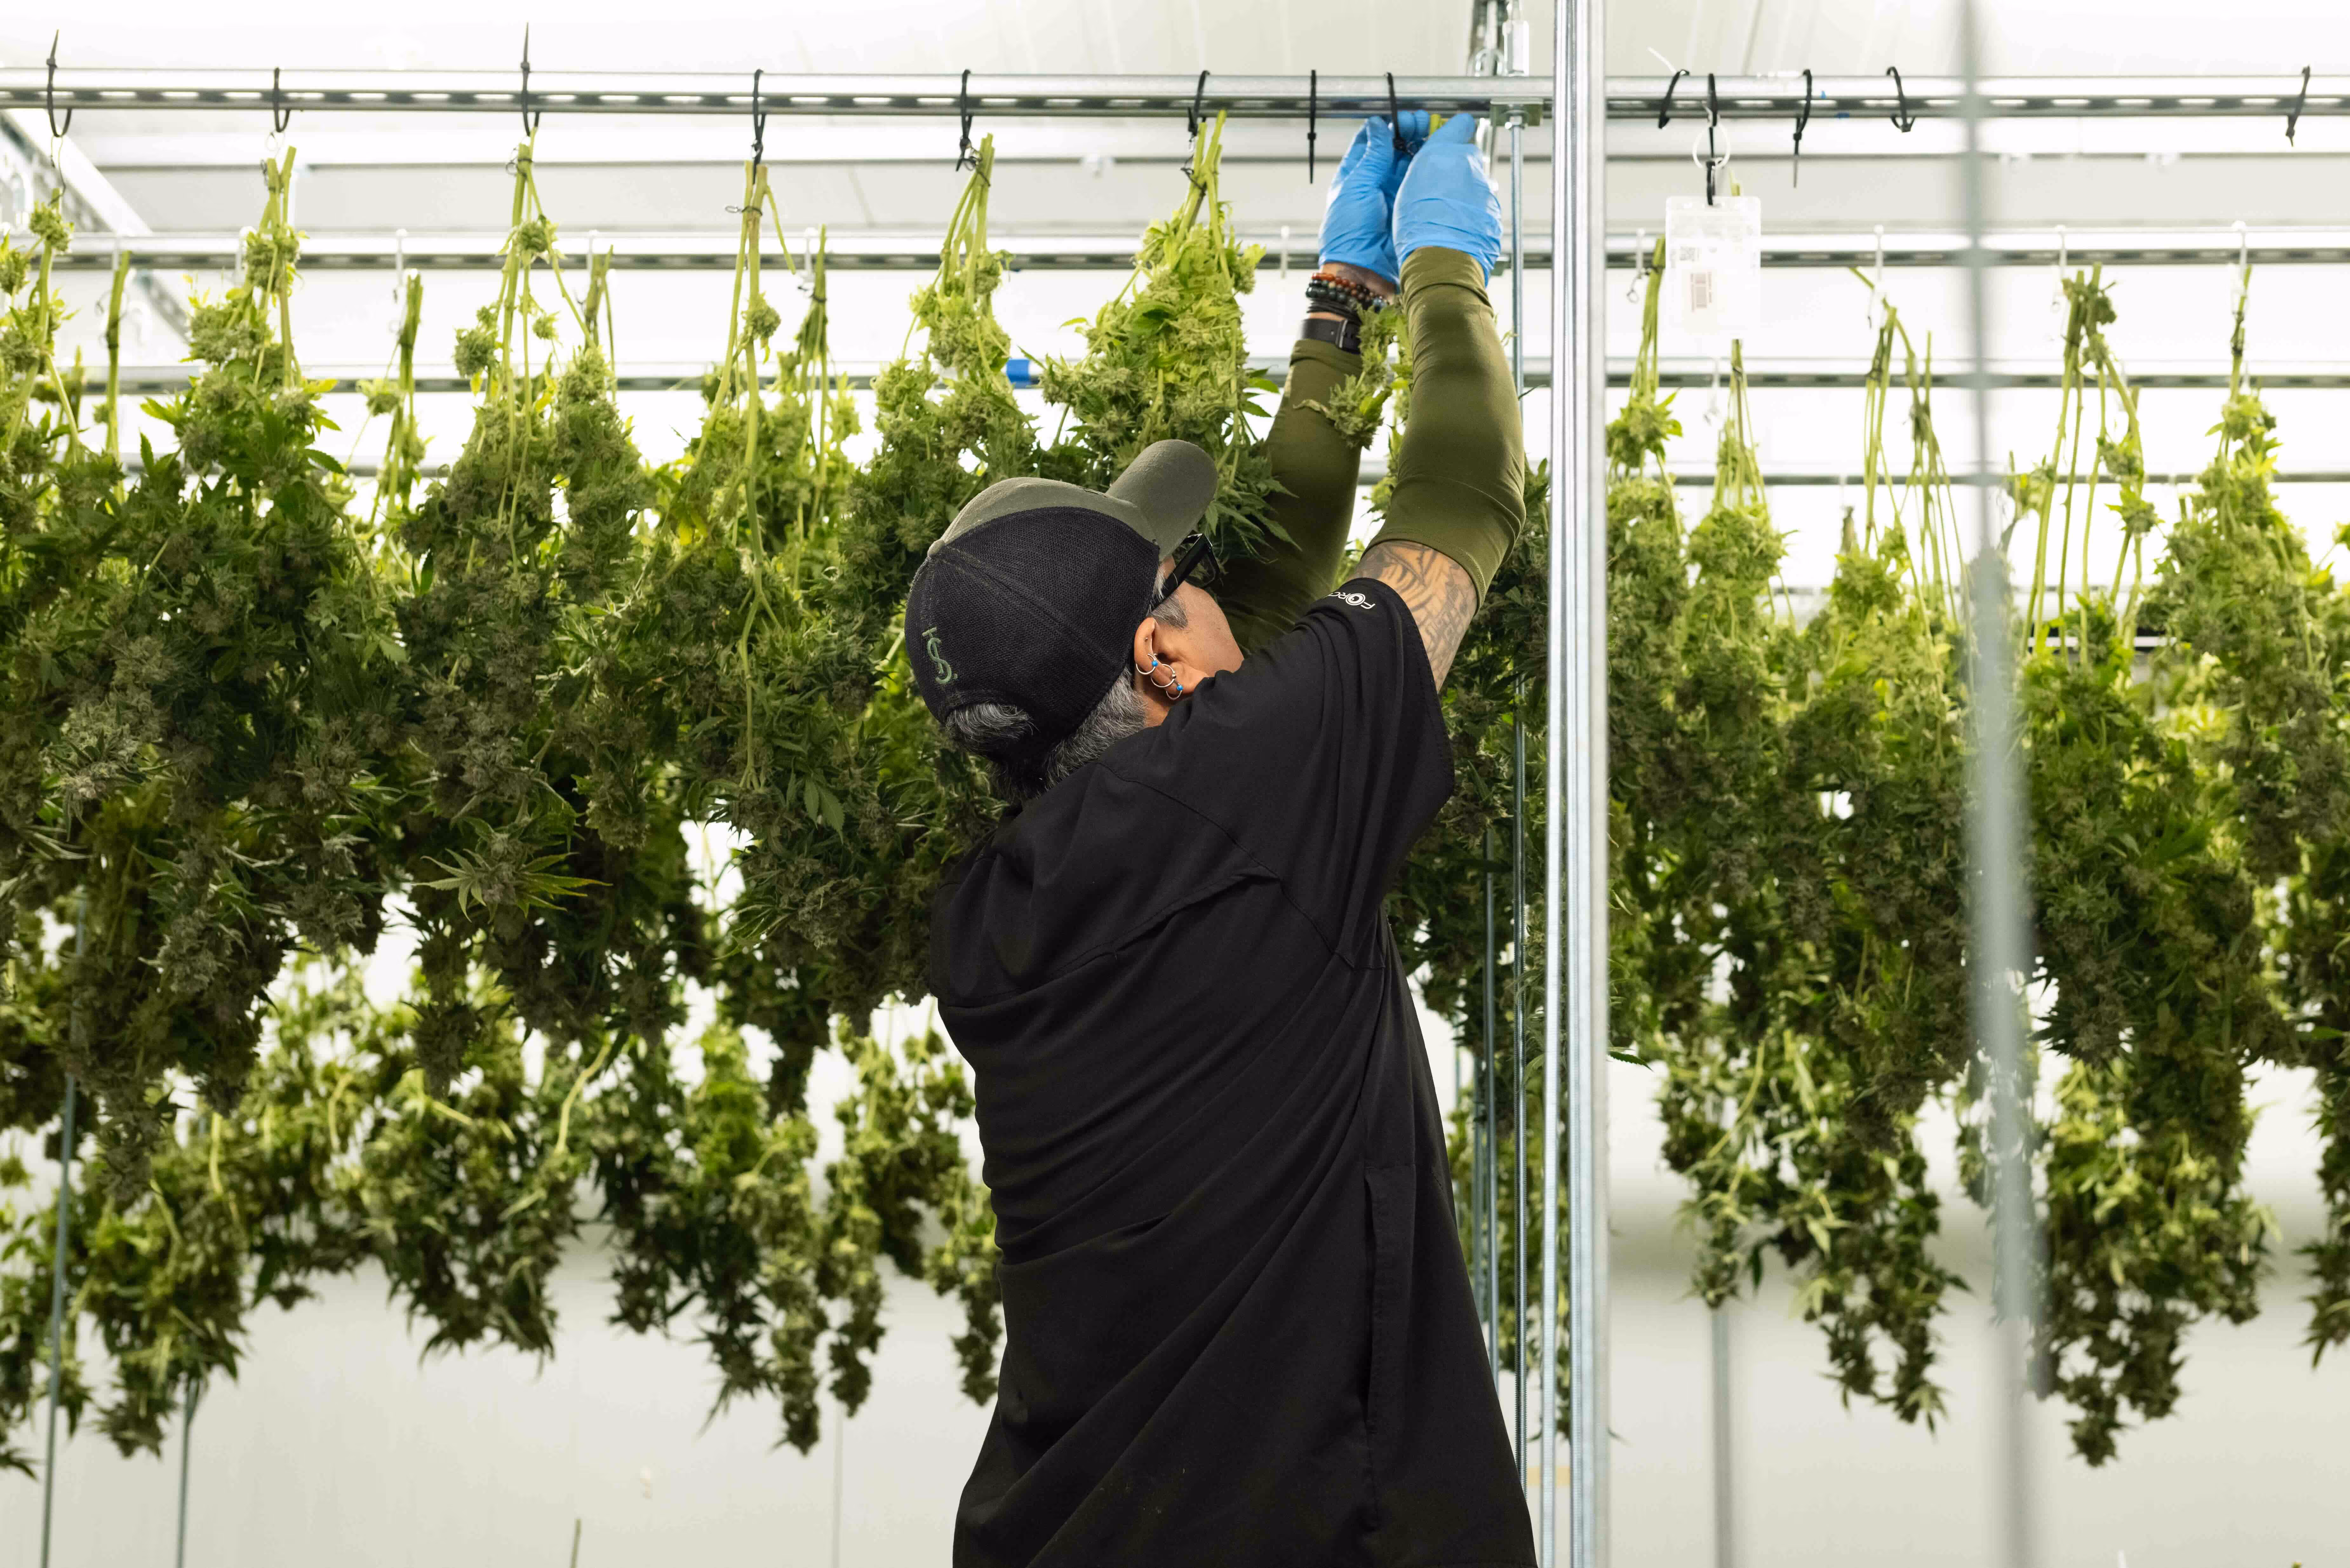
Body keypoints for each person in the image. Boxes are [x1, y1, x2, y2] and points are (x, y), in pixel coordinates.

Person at [904, 113, 1532, 1567]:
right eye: (1173, 585)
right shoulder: (1247, 786)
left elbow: (1243, 590)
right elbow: (1464, 494)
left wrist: (1339, 310)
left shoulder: (1003, 913)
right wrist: (1447, 262)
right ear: (1163, 665)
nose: (1211, 588)